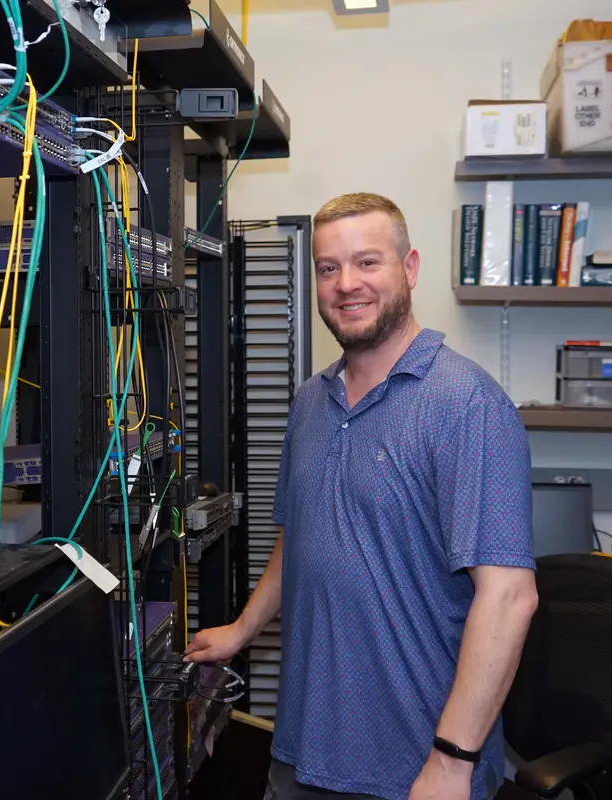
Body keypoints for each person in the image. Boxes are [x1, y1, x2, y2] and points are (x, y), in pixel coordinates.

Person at [184, 193, 538, 800]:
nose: (347, 284)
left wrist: (453, 761)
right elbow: (301, 536)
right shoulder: (309, 403)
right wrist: (243, 628)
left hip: (413, 765)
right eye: (328, 268)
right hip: (301, 747)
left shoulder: (467, 405)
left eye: (368, 262)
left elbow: (509, 598)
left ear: (411, 267)